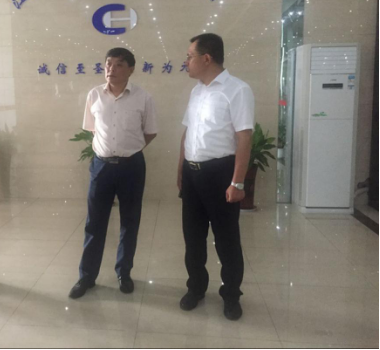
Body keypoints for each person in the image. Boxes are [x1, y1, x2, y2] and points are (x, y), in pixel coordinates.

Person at [69, 47, 158, 299]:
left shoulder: (143, 97)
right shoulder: (94, 95)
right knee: (94, 223)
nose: (111, 69)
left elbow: (150, 132)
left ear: (131, 69)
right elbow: (92, 128)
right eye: (108, 64)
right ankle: (87, 276)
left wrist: (129, 150)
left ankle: (124, 273)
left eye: (119, 64)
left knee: (130, 221)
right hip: (102, 166)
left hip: (132, 167)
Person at [177, 33, 254, 320]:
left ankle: (231, 295)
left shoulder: (237, 90)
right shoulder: (197, 91)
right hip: (192, 173)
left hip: (220, 173)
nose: (186, 61)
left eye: (189, 56)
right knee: (193, 237)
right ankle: (196, 287)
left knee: (226, 239)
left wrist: (237, 182)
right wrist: (181, 169)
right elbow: (187, 132)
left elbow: (244, 137)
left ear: (206, 58)